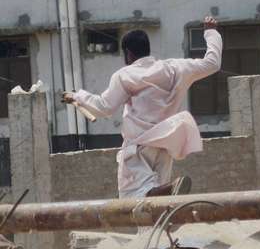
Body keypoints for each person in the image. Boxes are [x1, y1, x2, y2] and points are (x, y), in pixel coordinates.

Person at [62, 16, 222, 198]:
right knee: (158, 206)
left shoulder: (125, 75)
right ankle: (167, 192)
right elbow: (213, 63)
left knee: (132, 198)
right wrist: (211, 32)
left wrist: (77, 96)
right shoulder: (176, 68)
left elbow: (104, 107)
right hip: (165, 143)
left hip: (138, 147)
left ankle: (170, 188)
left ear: (128, 53)